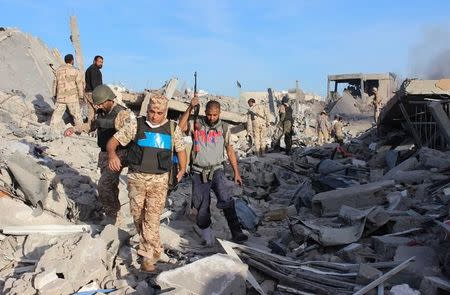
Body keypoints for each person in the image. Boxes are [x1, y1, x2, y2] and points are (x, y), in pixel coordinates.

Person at [107, 94, 187, 272]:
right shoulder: (136, 124)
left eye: (159, 112)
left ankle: (147, 259)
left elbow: (181, 150)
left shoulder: (173, 128)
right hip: (137, 179)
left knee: (151, 219)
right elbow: (113, 142)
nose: (155, 116)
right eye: (152, 111)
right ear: (147, 109)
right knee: (138, 217)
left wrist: (182, 169)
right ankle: (156, 248)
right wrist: (112, 155)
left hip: (159, 181)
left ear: (165, 112)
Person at [179, 97, 248, 246]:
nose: (211, 118)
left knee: (226, 198)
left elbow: (230, 150)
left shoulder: (223, 127)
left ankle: (236, 232)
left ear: (219, 113)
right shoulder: (197, 124)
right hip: (198, 172)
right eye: (209, 114)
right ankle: (207, 236)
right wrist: (190, 108)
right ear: (205, 112)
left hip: (217, 169)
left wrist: (236, 172)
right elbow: (180, 127)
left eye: (215, 115)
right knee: (201, 205)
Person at [50, 54, 84, 132]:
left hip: (60, 97)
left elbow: (55, 83)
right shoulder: (75, 70)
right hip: (72, 98)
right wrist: (81, 96)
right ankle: (79, 131)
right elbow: (79, 84)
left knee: (56, 116)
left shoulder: (58, 70)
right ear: (72, 60)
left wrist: (54, 94)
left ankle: (52, 130)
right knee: (77, 116)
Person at [85, 55, 104, 130]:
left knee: (91, 111)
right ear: (94, 61)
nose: (101, 64)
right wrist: (99, 95)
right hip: (93, 93)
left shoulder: (93, 69)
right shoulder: (93, 70)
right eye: (99, 62)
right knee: (100, 110)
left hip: (90, 92)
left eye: (102, 62)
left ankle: (90, 127)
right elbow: (94, 84)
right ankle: (97, 128)